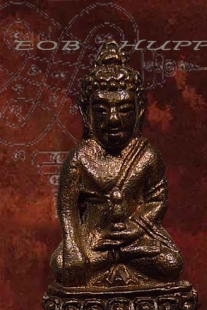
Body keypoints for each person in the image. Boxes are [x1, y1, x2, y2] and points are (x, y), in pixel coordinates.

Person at [50, 40, 183, 287]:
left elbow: (157, 200)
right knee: (63, 265)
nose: (113, 119)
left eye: (124, 109)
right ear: (86, 114)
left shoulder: (147, 155)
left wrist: (135, 228)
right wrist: (73, 245)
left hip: (134, 238)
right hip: (94, 238)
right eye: (102, 110)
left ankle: (120, 255)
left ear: (139, 111)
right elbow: (67, 207)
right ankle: (115, 257)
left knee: (171, 263)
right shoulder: (80, 158)